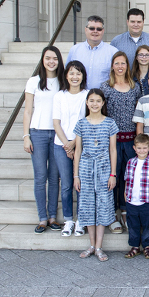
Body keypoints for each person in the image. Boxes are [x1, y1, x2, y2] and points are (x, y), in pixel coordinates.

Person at [23, 46, 66, 234]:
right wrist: (26, 136)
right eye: (48, 58)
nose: (51, 61)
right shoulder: (34, 81)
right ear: (42, 60)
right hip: (38, 133)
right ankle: (42, 218)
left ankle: (52, 217)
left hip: (57, 133)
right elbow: (27, 110)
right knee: (40, 177)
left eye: (54, 58)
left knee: (54, 177)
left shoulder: (63, 81)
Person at [73, 89, 118, 263]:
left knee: (102, 205)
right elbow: (78, 151)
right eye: (91, 101)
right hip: (85, 169)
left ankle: (99, 246)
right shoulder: (81, 124)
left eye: (98, 101)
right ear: (87, 103)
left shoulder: (110, 123)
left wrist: (112, 173)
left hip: (104, 167)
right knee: (87, 206)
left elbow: (112, 150)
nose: (94, 104)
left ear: (103, 103)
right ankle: (91, 245)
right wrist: (76, 175)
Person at [100, 51, 143, 234]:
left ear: (127, 66)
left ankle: (125, 210)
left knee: (129, 177)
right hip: (112, 141)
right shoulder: (106, 87)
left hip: (131, 140)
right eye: (117, 63)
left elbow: (139, 113)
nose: (120, 66)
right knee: (113, 177)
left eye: (123, 63)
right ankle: (112, 214)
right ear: (112, 66)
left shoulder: (135, 86)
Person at [52, 60, 88, 237]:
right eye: (72, 73)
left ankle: (81, 220)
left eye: (78, 73)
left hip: (81, 145)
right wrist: (67, 143)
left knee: (80, 183)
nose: (75, 76)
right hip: (61, 145)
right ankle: (68, 220)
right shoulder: (60, 96)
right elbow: (56, 123)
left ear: (83, 76)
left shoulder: (87, 95)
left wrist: (74, 143)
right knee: (66, 184)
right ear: (66, 75)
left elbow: (86, 121)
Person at [123, 133, 149, 260]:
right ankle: (134, 247)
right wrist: (125, 193)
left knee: (147, 224)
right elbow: (127, 179)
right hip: (132, 200)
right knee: (133, 225)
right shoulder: (130, 162)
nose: (142, 151)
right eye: (139, 148)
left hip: (146, 200)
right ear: (134, 148)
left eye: (144, 148)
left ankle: (147, 246)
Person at [66, 15, 118, 90]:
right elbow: (67, 73)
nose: (95, 31)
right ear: (85, 30)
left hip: (102, 98)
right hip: (79, 97)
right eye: (92, 28)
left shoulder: (113, 52)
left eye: (99, 29)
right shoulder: (75, 50)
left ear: (103, 31)